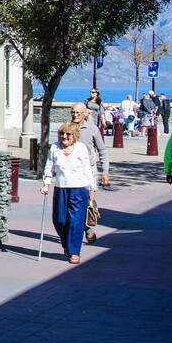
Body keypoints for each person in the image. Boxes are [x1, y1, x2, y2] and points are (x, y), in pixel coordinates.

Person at [41, 121, 96, 265]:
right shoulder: (55, 147)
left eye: (68, 134)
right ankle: (66, 243)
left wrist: (92, 187)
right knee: (59, 220)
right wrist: (46, 183)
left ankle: (74, 251)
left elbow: (87, 169)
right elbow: (49, 166)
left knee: (75, 221)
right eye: (61, 134)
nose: (64, 137)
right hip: (61, 188)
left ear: (75, 135)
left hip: (79, 188)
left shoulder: (81, 148)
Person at [70, 103, 110, 242]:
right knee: (73, 202)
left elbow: (102, 151)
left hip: (90, 171)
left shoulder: (93, 129)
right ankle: (78, 230)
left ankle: (88, 229)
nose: (75, 115)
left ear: (85, 114)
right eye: (73, 112)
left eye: (78, 113)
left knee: (87, 201)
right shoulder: (67, 129)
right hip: (72, 171)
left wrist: (105, 172)